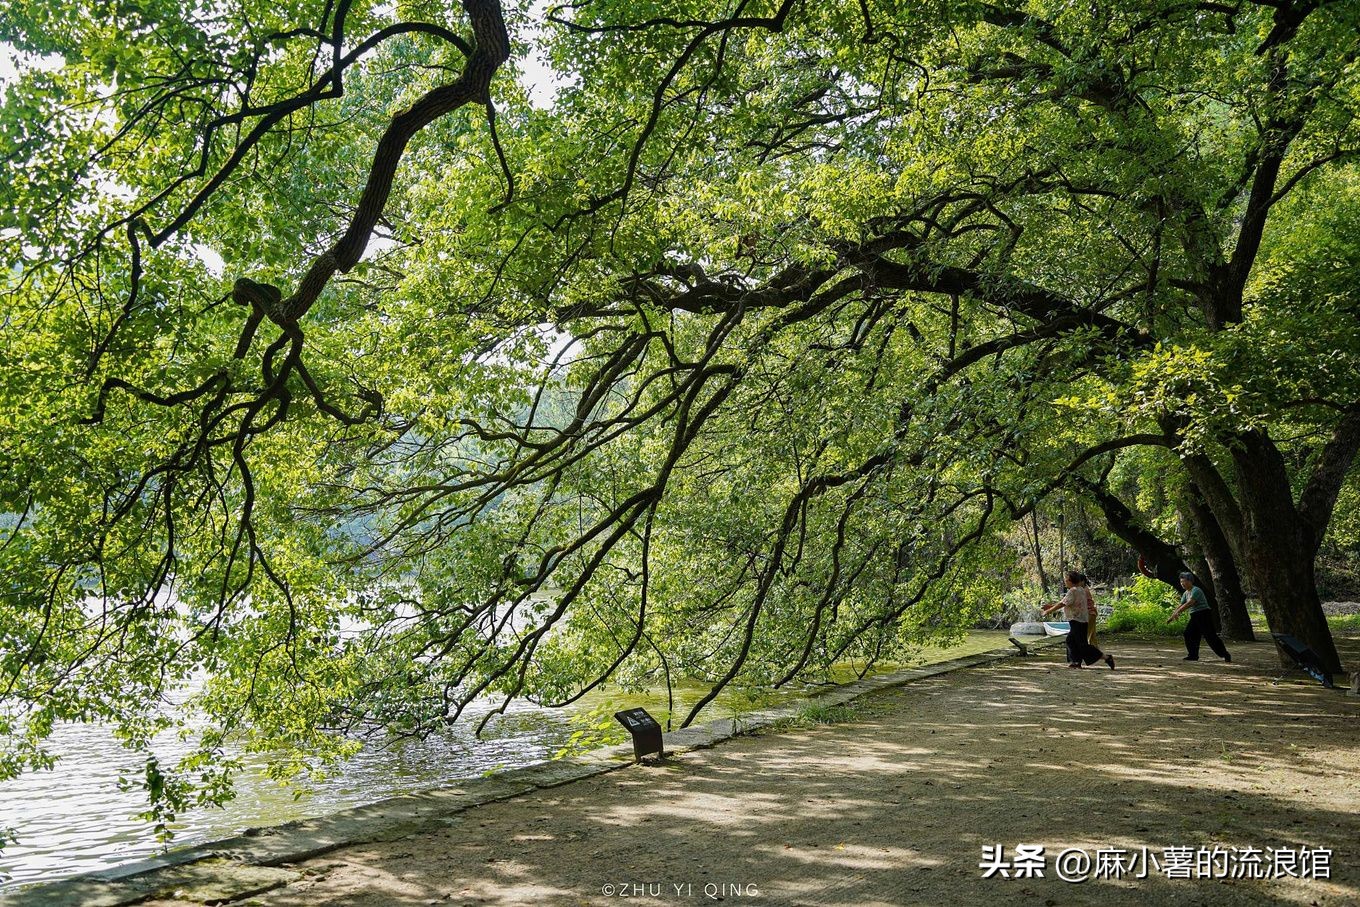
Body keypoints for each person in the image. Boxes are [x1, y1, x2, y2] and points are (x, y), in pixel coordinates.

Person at [1043, 570, 1115, 670]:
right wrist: (1051, 607)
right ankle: (1076, 661)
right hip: (1081, 620)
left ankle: (1106, 657)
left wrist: (1048, 611)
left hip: (1077, 620)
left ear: (1070, 581)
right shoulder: (1081, 589)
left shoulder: (1073, 591)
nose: (1065, 582)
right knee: (1071, 641)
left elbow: (1062, 603)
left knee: (1082, 645)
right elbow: (1068, 602)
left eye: (1066, 580)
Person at [1167, 572, 1231, 662]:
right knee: (1189, 634)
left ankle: (1225, 654)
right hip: (1195, 616)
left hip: (1204, 615)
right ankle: (1193, 655)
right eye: (1181, 582)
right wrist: (1172, 616)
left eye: (1184, 581)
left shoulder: (1196, 590)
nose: (1182, 584)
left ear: (1190, 581)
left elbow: (1190, 603)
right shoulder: (1186, 593)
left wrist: (1178, 612)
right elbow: (1181, 604)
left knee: (1210, 636)